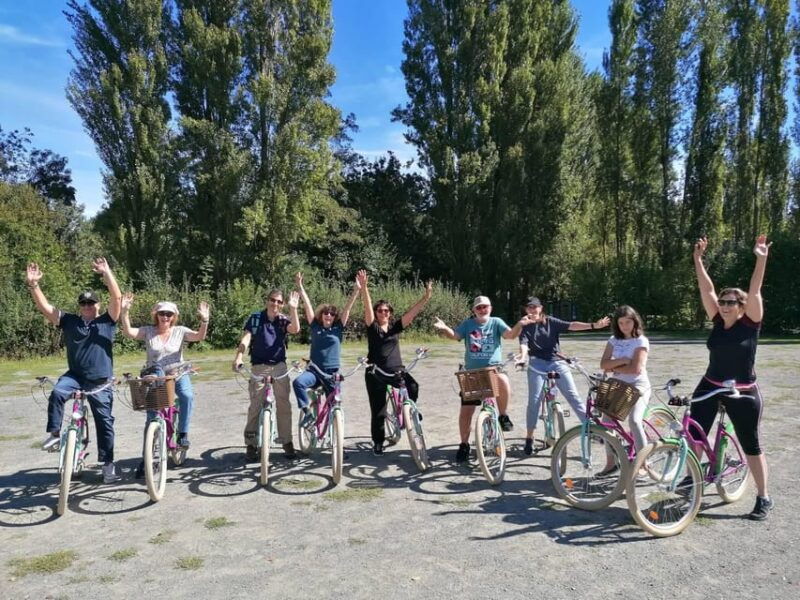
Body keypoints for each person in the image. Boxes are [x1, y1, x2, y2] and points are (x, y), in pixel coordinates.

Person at [693, 234, 773, 521]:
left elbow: (755, 289)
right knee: (693, 434)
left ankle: (764, 497)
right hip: (710, 386)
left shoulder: (750, 324)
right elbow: (706, 288)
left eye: (731, 302)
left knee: (751, 445)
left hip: (743, 391)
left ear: (742, 306)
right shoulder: (717, 320)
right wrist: (698, 260)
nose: (725, 305)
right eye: (723, 301)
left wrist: (760, 259)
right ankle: (692, 475)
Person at [26, 258, 122, 483]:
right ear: (80, 306)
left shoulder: (107, 321)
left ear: (98, 305)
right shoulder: (69, 321)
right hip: (75, 376)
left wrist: (107, 273)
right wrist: (34, 285)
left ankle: (108, 464)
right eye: (84, 304)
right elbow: (45, 308)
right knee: (58, 392)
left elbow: (116, 297)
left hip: (100, 380)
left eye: (92, 303)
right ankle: (55, 435)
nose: (88, 306)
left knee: (105, 421)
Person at [119, 293, 209, 477]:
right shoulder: (148, 331)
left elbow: (199, 336)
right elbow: (129, 332)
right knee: (152, 415)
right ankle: (146, 459)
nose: (165, 317)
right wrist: (124, 312)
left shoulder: (180, 331)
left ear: (174, 316)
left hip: (177, 372)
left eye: (169, 314)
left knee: (187, 396)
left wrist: (205, 320)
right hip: (155, 374)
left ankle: (182, 434)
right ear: (156, 315)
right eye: (162, 313)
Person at [433, 296, 531, 462]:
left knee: (504, 380)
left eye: (485, 307)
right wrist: (444, 328)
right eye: (478, 308)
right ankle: (464, 444)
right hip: (472, 374)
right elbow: (456, 336)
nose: (482, 310)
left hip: (493, 370)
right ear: (474, 311)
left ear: (490, 308)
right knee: (466, 412)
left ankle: (503, 416)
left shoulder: (496, 322)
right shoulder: (468, 324)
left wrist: (520, 324)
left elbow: (509, 335)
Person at [517, 296, 611, 455]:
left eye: (535, 307)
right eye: (529, 308)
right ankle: (529, 437)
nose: (532, 310)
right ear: (526, 310)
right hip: (537, 364)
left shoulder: (551, 321)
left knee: (573, 396)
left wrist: (594, 325)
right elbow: (524, 345)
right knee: (534, 400)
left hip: (557, 362)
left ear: (541, 308)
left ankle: (590, 429)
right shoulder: (525, 326)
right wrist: (522, 357)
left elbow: (571, 325)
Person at [359, 270, 433, 455]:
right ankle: (378, 442)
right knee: (378, 411)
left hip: (396, 371)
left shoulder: (395, 327)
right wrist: (364, 288)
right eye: (380, 310)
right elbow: (367, 307)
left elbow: (412, 313)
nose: (383, 313)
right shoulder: (372, 327)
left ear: (390, 313)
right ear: (376, 313)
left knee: (413, 386)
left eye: (386, 311)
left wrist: (426, 297)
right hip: (375, 373)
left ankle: (410, 410)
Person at [233, 288, 301, 460]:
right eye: (273, 300)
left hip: (279, 367)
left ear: (282, 304)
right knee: (255, 406)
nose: (275, 304)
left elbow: (295, 329)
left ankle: (287, 442)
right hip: (259, 367)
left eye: (279, 301)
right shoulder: (256, 318)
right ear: (267, 300)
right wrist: (239, 356)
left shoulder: (283, 320)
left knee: (284, 405)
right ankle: (251, 444)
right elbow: (246, 338)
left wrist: (293, 309)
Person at [292, 272, 360, 426]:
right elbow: (307, 305)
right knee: (298, 383)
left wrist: (356, 290)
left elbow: (348, 308)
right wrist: (300, 286)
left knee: (335, 405)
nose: (328, 315)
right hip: (314, 372)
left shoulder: (338, 327)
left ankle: (333, 433)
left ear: (334, 316)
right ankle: (307, 412)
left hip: (332, 374)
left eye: (332, 313)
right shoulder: (315, 326)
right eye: (326, 313)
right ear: (321, 315)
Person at [599, 305, 650, 473]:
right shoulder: (614, 340)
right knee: (606, 423)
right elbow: (603, 364)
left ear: (634, 321)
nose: (625, 326)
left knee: (635, 421)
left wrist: (614, 367)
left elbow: (636, 369)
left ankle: (643, 464)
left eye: (628, 322)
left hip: (638, 385)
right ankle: (611, 462)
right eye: (621, 323)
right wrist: (622, 360)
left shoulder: (641, 341)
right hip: (617, 384)